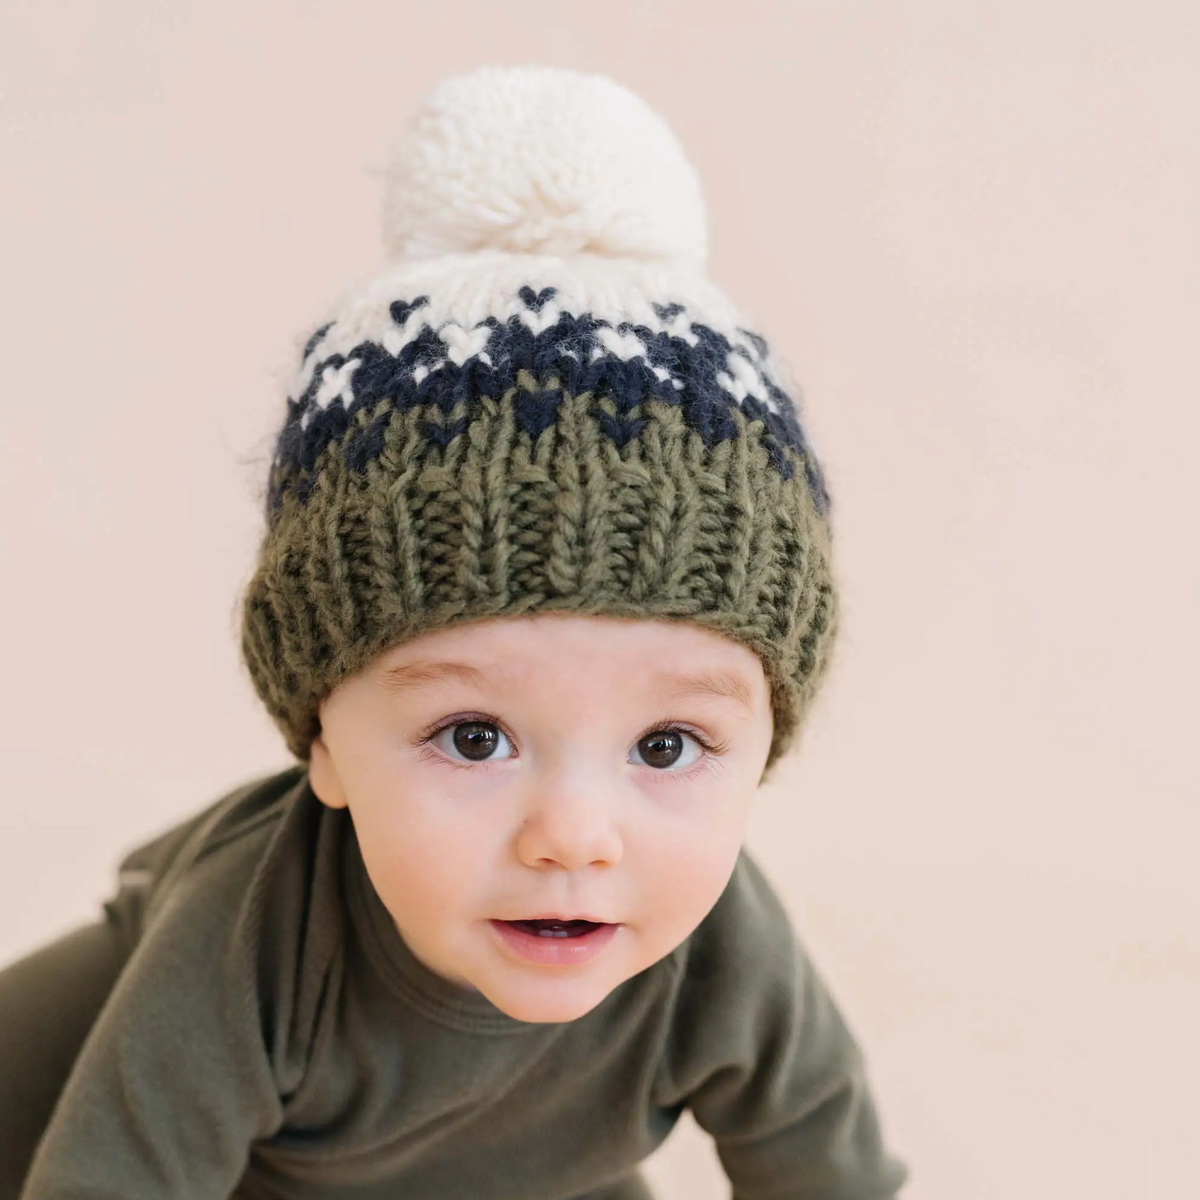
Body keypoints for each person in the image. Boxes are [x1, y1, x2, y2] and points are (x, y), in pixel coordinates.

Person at [1, 65, 908, 1200]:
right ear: (322, 739)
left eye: (667, 746)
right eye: (474, 737)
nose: (573, 837)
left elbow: (831, 1170)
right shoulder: (253, 942)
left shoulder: (725, 955)